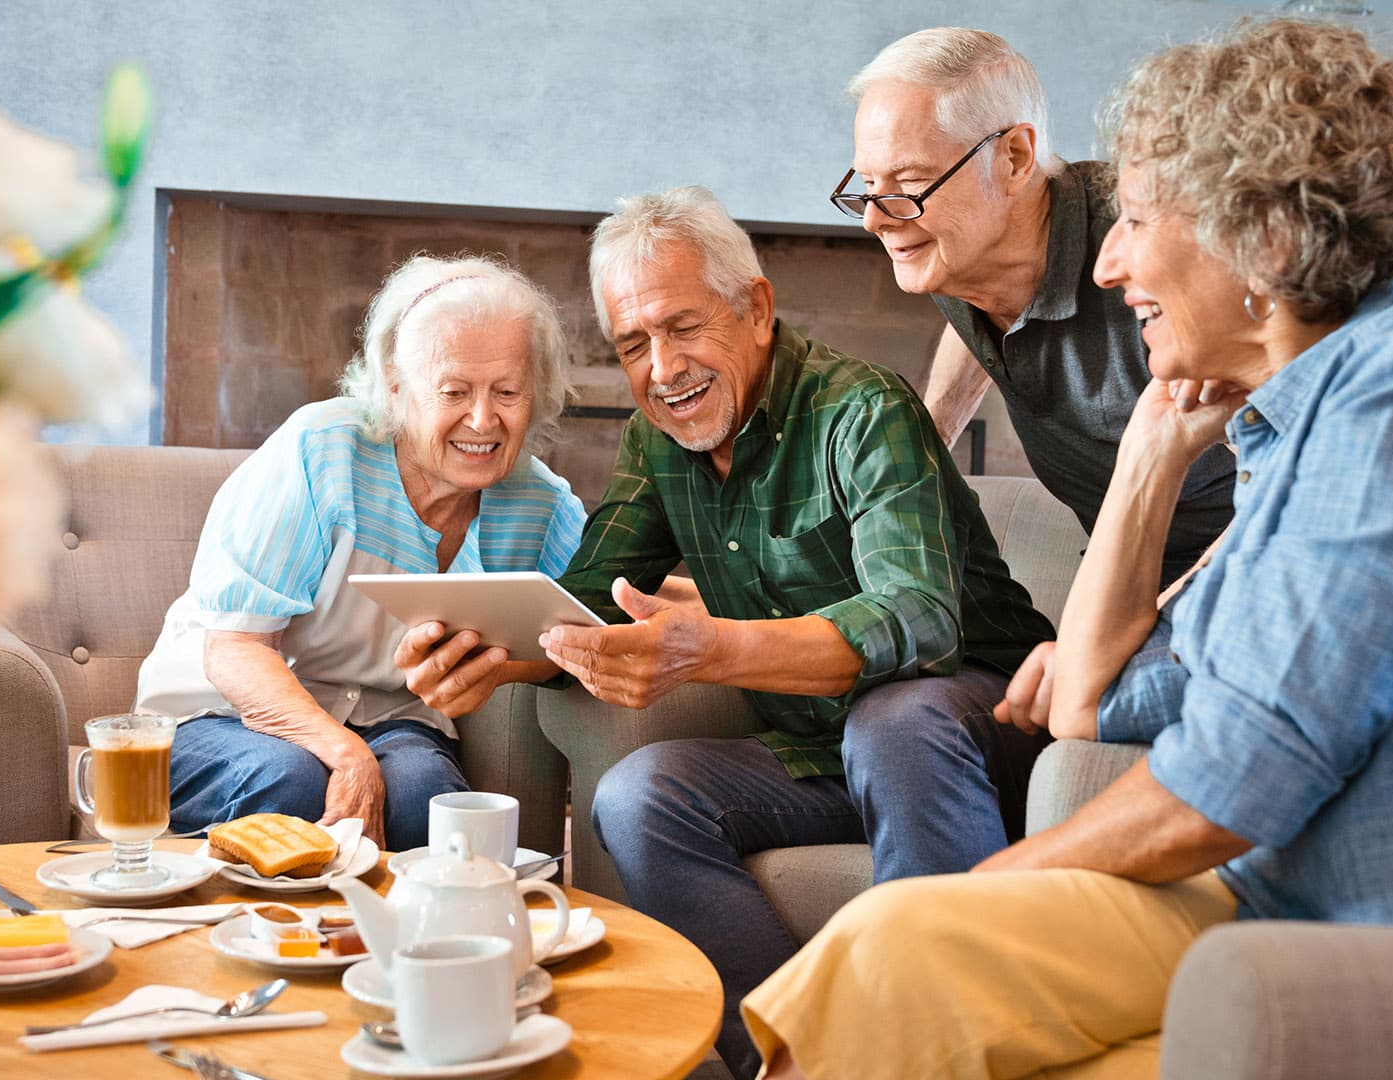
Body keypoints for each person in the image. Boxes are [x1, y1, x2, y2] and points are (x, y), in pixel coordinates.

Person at [744, 19, 1393, 1078]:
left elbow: (1230, 785)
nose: (1111, 262)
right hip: (1284, 907)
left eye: (1140, 220)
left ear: (1266, 241)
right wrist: (1155, 450)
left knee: (912, 946)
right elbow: (1091, 703)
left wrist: (966, 896)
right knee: (890, 966)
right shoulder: (1283, 437)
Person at [397, 186, 1054, 1078]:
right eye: (634, 345)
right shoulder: (657, 441)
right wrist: (490, 657)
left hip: (984, 729)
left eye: (681, 327)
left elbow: (919, 620)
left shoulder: (862, 411)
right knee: (641, 794)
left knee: (894, 719)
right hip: (823, 751)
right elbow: (589, 599)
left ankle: (930, 1053)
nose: (662, 367)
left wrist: (713, 645)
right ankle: (794, 1059)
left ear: (756, 308)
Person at [133, 254, 585, 849]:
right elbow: (236, 647)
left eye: (508, 391)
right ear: (396, 386)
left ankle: (402, 942)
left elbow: (574, 636)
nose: (483, 419)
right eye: (453, 390)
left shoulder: (541, 506)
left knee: (428, 802)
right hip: (218, 714)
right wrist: (346, 756)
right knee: (291, 784)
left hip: (393, 721)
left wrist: (495, 669)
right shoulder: (322, 453)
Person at [841, 28, 1235, 585]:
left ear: (1015, 158)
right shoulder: (950, 249)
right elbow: (971, 312)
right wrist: (929, 449)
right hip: (1122, 564)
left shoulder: (1146, 250)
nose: (876, 219)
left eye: (908, 182)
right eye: (868, 185)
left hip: (1234, 565)